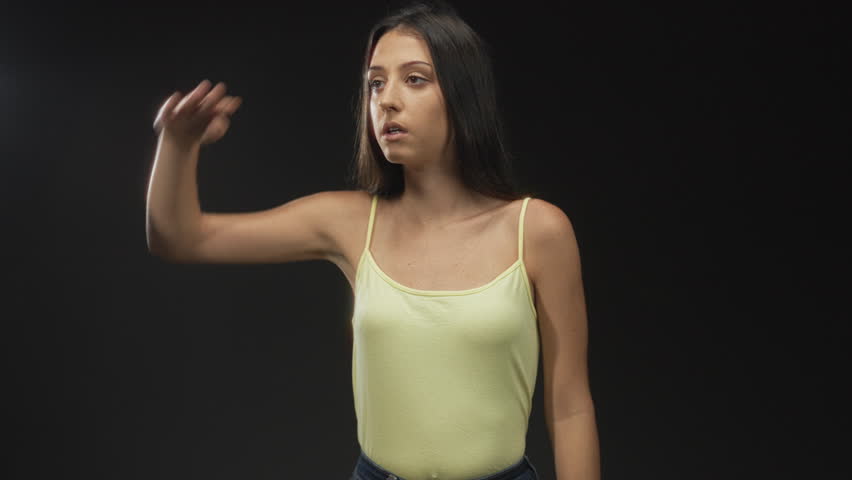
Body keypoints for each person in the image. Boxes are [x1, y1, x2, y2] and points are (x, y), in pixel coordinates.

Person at [145, 1, 599, 479]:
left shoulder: (537, 230)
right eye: (375, 83)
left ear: (464, 94)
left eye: (415, 79)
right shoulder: (348, 222)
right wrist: (177, 145)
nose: (387, 100)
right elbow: (180, 239)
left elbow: (570, 407)